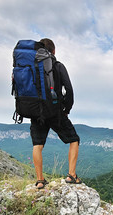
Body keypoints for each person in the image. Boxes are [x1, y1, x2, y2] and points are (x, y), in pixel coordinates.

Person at [31, 38, 81, 189]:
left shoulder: (30, 67)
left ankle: (40, 180)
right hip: (54, 111)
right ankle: (71, 175)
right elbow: (69, 90)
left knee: (38, 144)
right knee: (74, 139)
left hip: (35, 112)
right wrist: (66, 109)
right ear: (53, 51)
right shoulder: (57, 66)